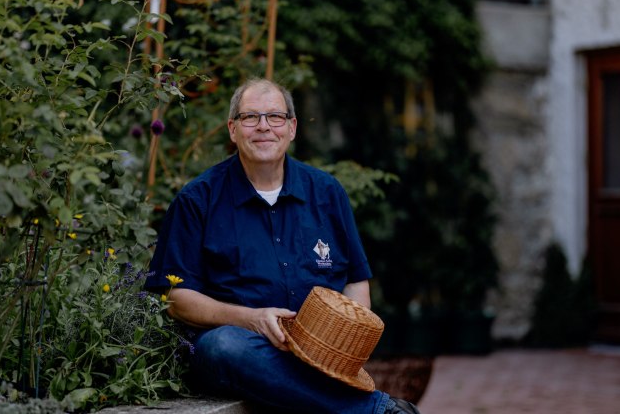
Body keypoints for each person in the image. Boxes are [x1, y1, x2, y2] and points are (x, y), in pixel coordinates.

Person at [146, 78, 420, 414]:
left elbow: (355, 281)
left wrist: (343, 344)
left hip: (319, 355)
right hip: (244, 350)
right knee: (221, 345)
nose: (264, 127)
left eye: (275, 117)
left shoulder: (327, 192)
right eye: (250, 117)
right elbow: (176, 299)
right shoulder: (197, 200)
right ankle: (377, 411)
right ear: (233, 129)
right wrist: (252, 319)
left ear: (291, 128)